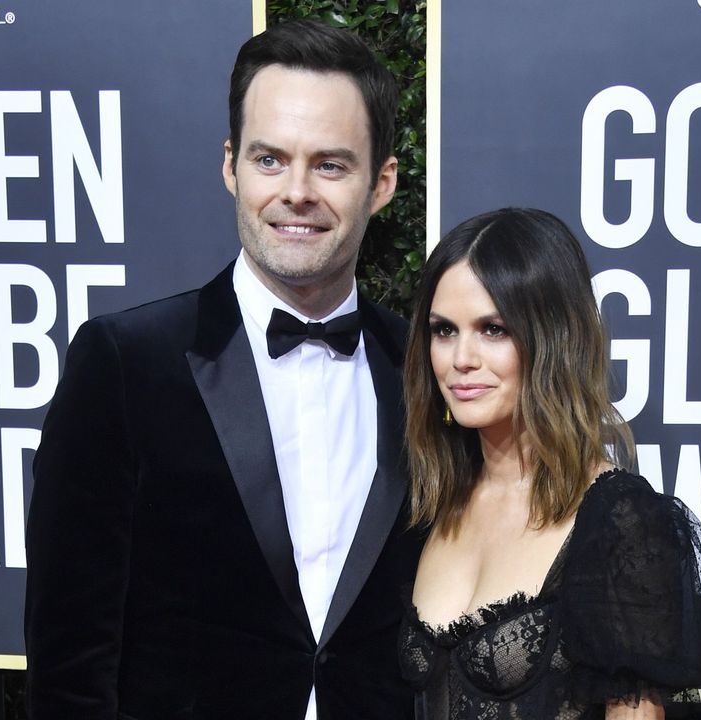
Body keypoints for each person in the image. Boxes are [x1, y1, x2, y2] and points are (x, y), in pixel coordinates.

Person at [24, 20, 421, 719]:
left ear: (382, 183)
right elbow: (70, 655)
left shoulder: (422, 371)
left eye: (330, 165)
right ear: (231, 165)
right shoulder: (125, 364)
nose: (296, 191)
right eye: (271, 160)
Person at [397, 208, 701, 720]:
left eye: (494, 329)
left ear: (553, 337)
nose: (461, 358)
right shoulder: (435, 501)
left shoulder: (622, 523)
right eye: (443, 330)